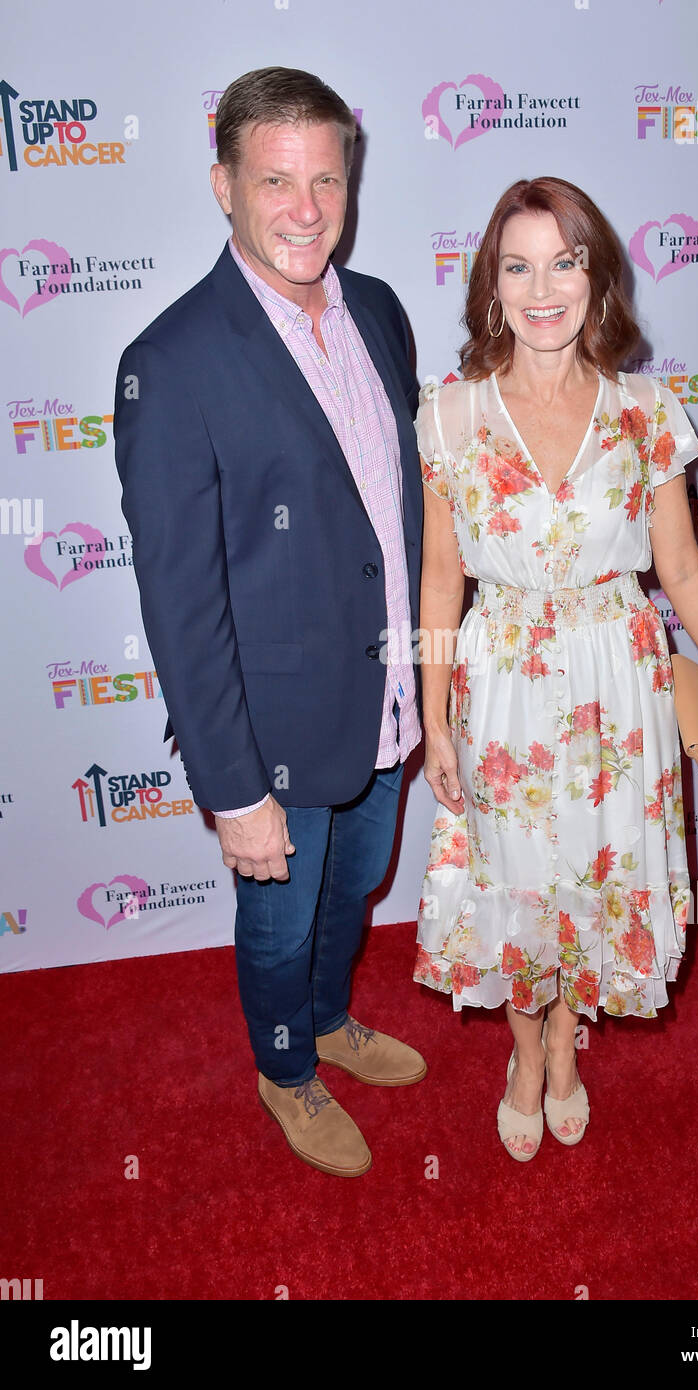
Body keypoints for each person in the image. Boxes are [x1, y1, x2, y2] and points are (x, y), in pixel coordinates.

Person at [113, 67, 426, 1180]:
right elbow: (180, 600)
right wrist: (233, 789)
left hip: (387, 701)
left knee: (355, 893)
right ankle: (286, 1068)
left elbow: (397, 517)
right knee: (280, 925)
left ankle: (332, 1018)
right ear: (222, 187)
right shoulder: (172, 362)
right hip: (270, 733)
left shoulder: (380, 310)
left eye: (325, 179)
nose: (305, 208)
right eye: (276, 181)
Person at [415, 177, 698, 1161]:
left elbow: (680, 565)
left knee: (597, 881)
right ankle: (525, 1053)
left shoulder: (646, 408)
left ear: (595, 276)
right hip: (503, 678)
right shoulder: (450, 415)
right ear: (491, 285)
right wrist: (433, 717)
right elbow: (441, 578)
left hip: (618, 678)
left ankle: (566, 1046)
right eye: (516, 265)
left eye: (563, 260)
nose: (541, 286)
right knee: (519, 884)